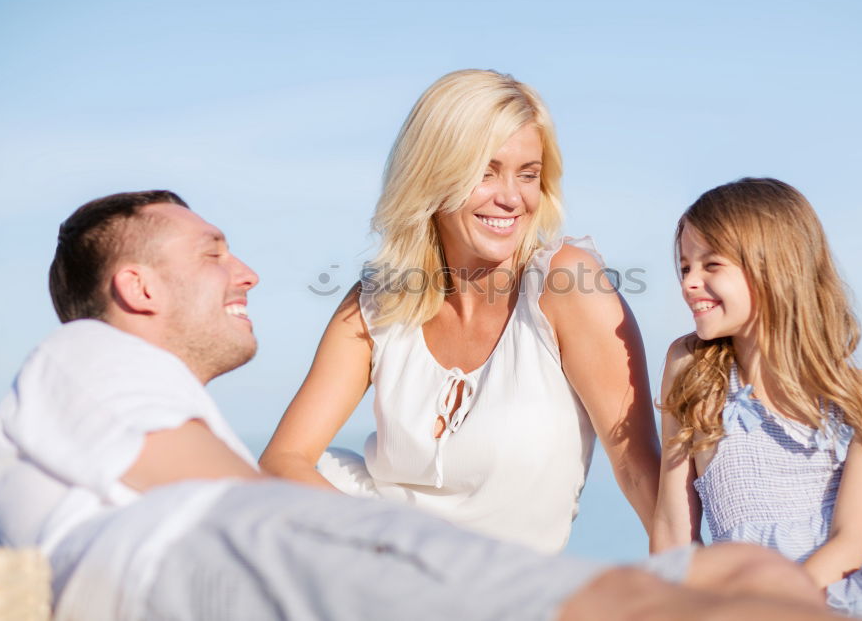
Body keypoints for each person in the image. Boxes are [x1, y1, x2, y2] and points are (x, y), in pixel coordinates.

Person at [0, 190, 836, 621]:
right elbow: (225, 499)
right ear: (135, 286)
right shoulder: (80, 354)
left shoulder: (134, 404)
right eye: (213, 253)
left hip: (285, 542)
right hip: (250, 554)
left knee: (750, 572)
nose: (246, 271)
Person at [260, 69, 660, 554]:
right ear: (433, 175)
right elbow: (283, 460)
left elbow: (639, 471)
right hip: (371, 567)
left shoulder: (568, 286)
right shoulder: (379, 300)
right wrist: (385, 558)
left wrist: (697, 585)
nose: (511, 198)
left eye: (527, 174)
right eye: (485, 172)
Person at [651, 177, 862, 620]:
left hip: (845, 582)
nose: (690, 282)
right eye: (685, 266)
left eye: (711, 265)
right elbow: (673, 528)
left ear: (773, 267)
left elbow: (853, 539)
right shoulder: (691, 369)